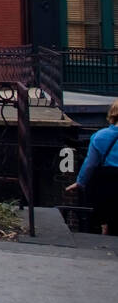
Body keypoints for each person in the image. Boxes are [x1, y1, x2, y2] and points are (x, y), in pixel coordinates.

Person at [65, 99, 118, 236]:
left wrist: (80, 182)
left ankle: (105, 228)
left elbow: (90, 164)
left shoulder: (100, 136)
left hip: (107, 183)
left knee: (107, 216)